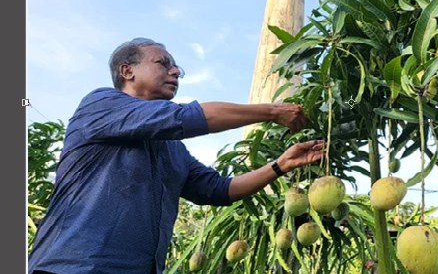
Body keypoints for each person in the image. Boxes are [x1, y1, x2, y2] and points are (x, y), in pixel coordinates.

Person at [28, 37, 324, 274]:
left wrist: (281, 164)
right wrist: (272, 111)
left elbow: (218, 189)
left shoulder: (172, 149)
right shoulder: (100, 104)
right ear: (127, 71)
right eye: (163, 63)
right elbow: (186, 117)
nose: (176, 71)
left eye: (177, 67)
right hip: (72, 266)